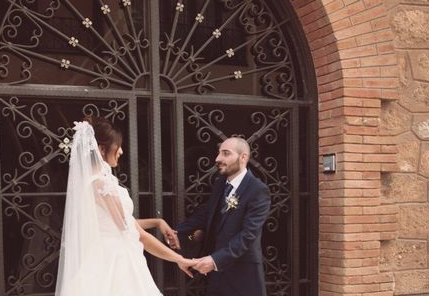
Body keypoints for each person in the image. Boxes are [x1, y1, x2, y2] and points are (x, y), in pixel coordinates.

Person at [55, 117, 194, 295]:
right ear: (101, 149)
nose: (121, 151)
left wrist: (157, 222)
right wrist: (179, 259)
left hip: (103, 258)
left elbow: (119, 223)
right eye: (117, 146)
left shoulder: (96, 182)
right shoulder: (100, 184)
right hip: (116, 263)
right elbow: (137, 234)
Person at [169, 137, 271, 296]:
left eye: (225, 153)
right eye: (218, 153)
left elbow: (248, 234)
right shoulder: (219, 183)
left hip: (243, 275)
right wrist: (177, 232)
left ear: (243, 157)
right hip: (217, 275)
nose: (218, 159)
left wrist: (215, 260)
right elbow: (207, 214)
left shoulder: (258, 189)